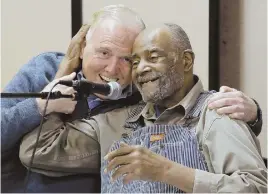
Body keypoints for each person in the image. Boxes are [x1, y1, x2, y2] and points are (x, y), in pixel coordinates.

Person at [2, 4, 263, 193]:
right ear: (82, 48)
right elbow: (36, 149)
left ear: (186, 60)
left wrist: (254, 114)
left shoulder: (204, 109)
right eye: (103, 52)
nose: (116, 69)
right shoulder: (49, 70)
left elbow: (255, 186)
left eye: (129, 59)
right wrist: (47, 98)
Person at [101, 23, 267, 193]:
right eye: (135, 62)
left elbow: (256, 188)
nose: (141, 69)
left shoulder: (217, 112)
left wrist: (167, 171)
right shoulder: (127, 119)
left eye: (153, 57)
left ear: (186, 61)